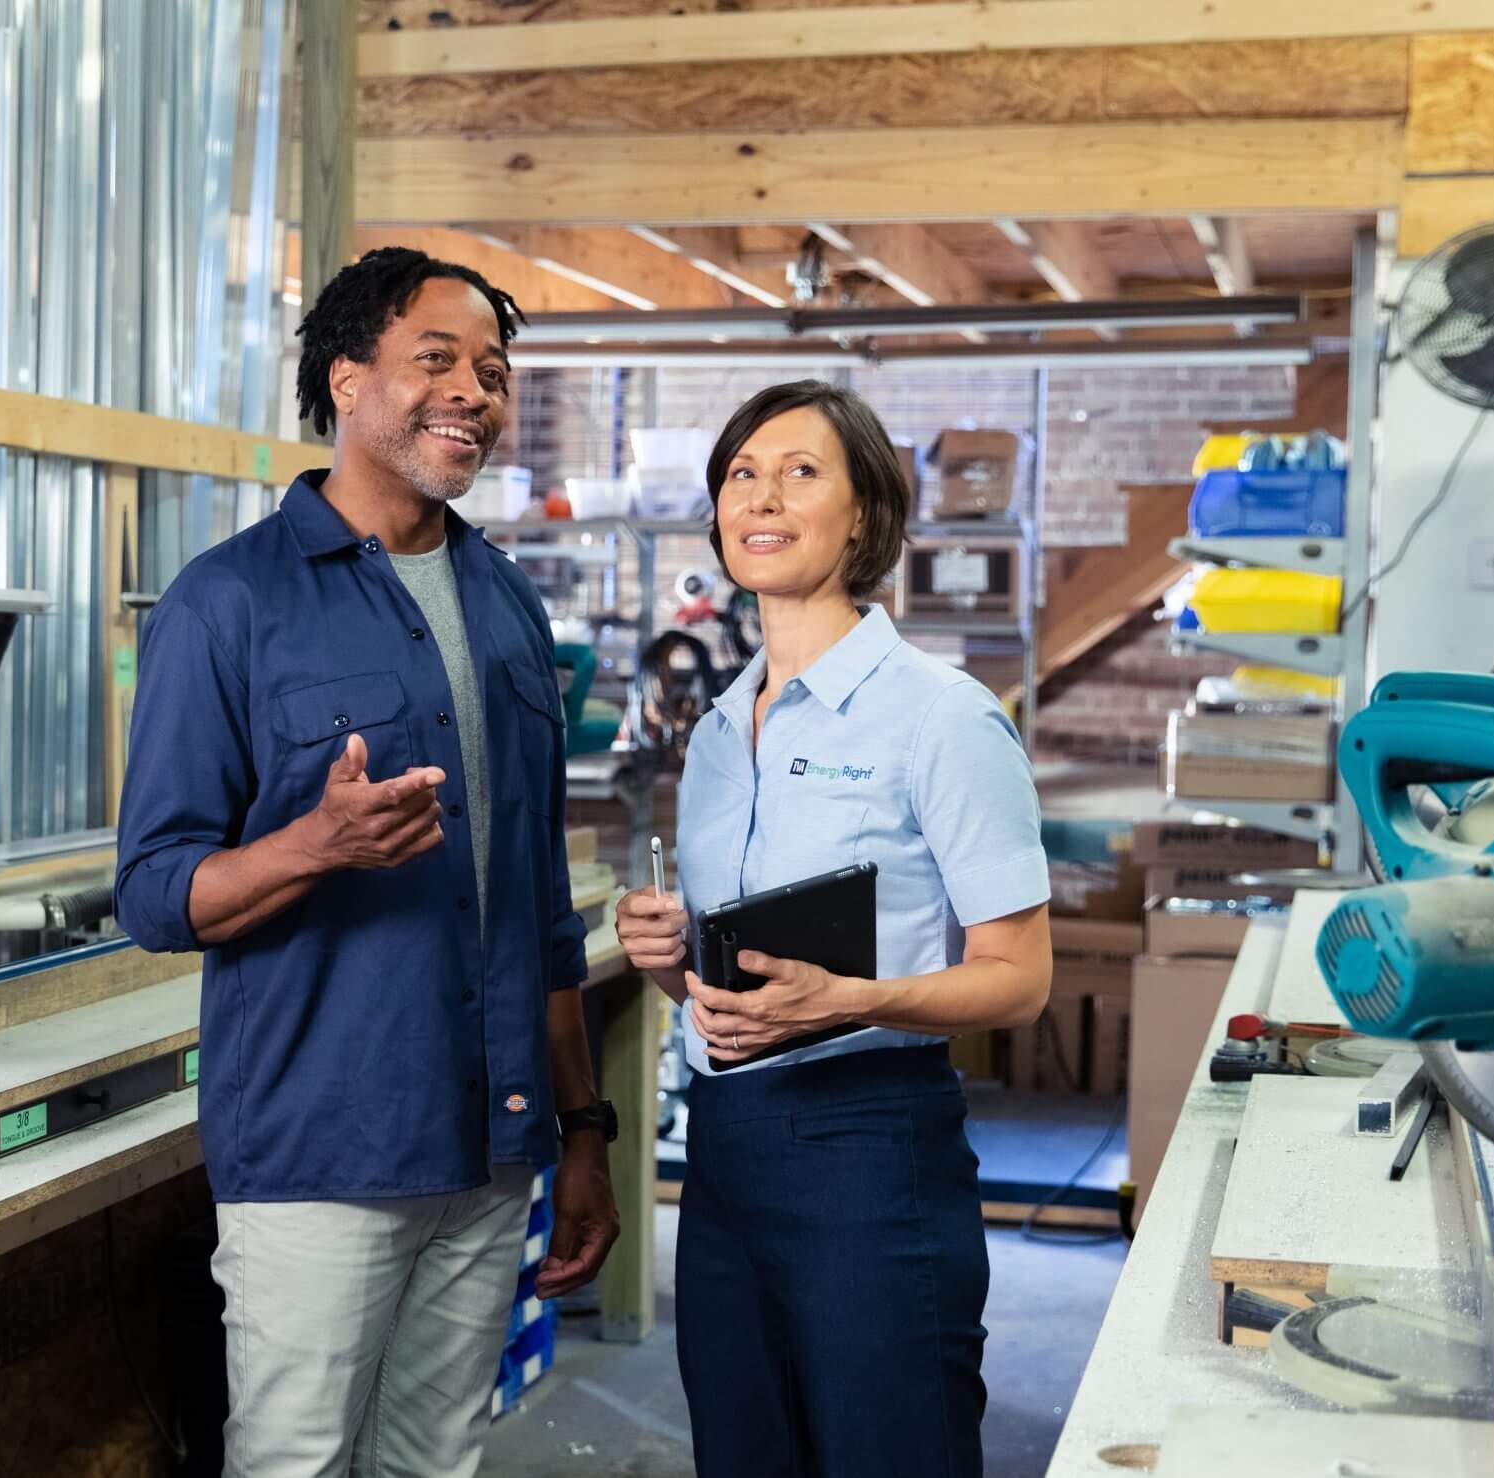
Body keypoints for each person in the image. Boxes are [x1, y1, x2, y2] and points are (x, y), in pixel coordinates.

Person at [114, 246, 620, 1478]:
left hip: (493, 1143)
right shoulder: (227, 604)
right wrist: (312, 844)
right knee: (296, 1461)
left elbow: (537, 903)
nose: (472, 393)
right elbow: (153, 890)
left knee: (436, 1459)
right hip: (323, 1145)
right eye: (434, 361)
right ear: (347, 382)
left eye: (492, 373)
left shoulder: (505, 603)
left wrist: (583, 1127)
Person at [613, 381, 1052, 1478]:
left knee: (889, 1450)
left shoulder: (941, 717)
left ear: (863, 513)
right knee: (743, 1451)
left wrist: (853, 999)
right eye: (740, 474)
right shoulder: (718, 732)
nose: (762, 495)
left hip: (870, 1146)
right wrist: (675, 966)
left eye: (801, 471)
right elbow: (740, 992)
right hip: (721, 1153)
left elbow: (1017, 978)